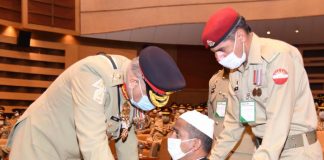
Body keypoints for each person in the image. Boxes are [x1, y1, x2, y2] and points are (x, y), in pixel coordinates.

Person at [6, 46, 186, 160]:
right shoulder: (92, 74)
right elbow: (93, 141)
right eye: (149, 98)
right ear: (133, 82)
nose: (150, 107)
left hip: (70, 150)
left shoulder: (129, 83)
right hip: (38, 143)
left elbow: (125, 136)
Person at [201, 7, 322, 160]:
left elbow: (278, 120)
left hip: (296, 152)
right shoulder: (236, 70)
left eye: (222, 50)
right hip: (266, 150)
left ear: (240, 36)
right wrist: (214, 158)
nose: (218, 58)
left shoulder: (277, 57)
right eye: (215, 53)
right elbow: (233, 124)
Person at [207, 68, 255, 159]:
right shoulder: (215, 80)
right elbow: (212, 119)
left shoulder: (251, 77)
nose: (219, 56)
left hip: (243, 154)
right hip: (217, 152)